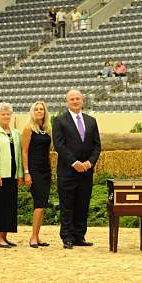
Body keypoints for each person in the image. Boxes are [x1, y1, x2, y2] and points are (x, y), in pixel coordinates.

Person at [52, 89, 101, 249]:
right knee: (67, 205)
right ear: (67, 102)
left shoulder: (91, 121)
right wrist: (74, 163)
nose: (75, 101)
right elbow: (59, 145)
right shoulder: (59, 121)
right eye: (72, 99)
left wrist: (89, 163)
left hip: (86, 172)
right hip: (67, 171)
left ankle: (79, 236)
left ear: (82, 101)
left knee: (82, 204)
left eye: (77, 98)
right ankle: (67, 237)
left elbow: (97, 146)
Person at [0, 103, 23, 248]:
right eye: (3, 114)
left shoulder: (16, 133)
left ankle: (5, 237)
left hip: (12, 175)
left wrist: (19, 174)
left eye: (8, 114)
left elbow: (19, 155)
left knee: (9, 206)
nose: (6, 116)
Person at [22, 101, 52, 248]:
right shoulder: (29, 129)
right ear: (32, 112)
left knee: (43, 204)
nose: (39, 111)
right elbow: (24, 152)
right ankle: (33, 237)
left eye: (42, 109)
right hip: (34, 170)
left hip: (46, 170)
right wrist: (26, 172)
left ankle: (37, 236)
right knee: (39, 204)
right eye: (37, 109)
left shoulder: (46, 129)